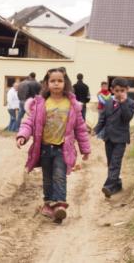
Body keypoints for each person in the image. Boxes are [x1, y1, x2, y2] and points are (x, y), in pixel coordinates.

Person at [16, 68, 90, 224]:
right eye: (53, 81)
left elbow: (81, 128)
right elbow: (29, 122)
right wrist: (23, 135)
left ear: (65, 83)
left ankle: (60, 205)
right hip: (44, 148)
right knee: (47, 178)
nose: (56, 84)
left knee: (59, 175)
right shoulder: (40, 104)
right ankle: (49, 204)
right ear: (46, 84)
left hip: (62, 148)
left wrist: (85, 149)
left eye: (60, 81)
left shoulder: (72, 104)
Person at [94, 78, 134, 198]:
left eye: (122, 90)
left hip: (121, 139)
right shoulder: (107, 102)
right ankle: (117, 184)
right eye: (117, 90)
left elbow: (127, 118)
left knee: (115, 163)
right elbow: (102, 119)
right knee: (110, 163)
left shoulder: (131, 103)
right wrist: (95, 130)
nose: (119, 93)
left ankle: (108, 187)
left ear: (127, 90)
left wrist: (123, 103)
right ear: (112, 90)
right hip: (108, 138)